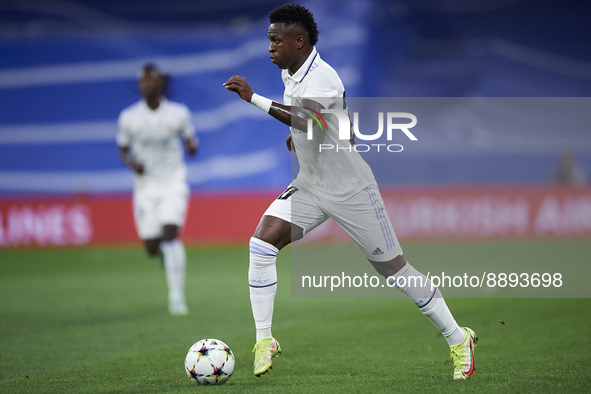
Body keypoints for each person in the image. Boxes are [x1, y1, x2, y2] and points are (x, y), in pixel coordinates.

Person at [224, 4, 477, 380]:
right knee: (262, 244)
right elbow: (329, 124)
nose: (270, 47)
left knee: (394, 270)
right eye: (269, 40)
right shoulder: (292, 74)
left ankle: (458, 339)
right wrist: (301, 136)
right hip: (310, 186)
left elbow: (310, 119)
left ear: (299, 41)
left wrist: (255, 99)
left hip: (351, 190)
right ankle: (264, 340)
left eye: (276, 40)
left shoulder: (322, 76)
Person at [117, 64, 198, 316]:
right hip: (146, 188)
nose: (145, 85)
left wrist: (192, 146)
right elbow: (123, 148)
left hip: (173, 182)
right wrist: (133, 164)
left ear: (160, 84)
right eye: (142, 81)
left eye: (150, 80)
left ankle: (176, 297)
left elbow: (190, 140)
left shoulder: (178, 113)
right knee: (152, 246)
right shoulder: (129, 117)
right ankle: (164, 254)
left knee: (170, 233)